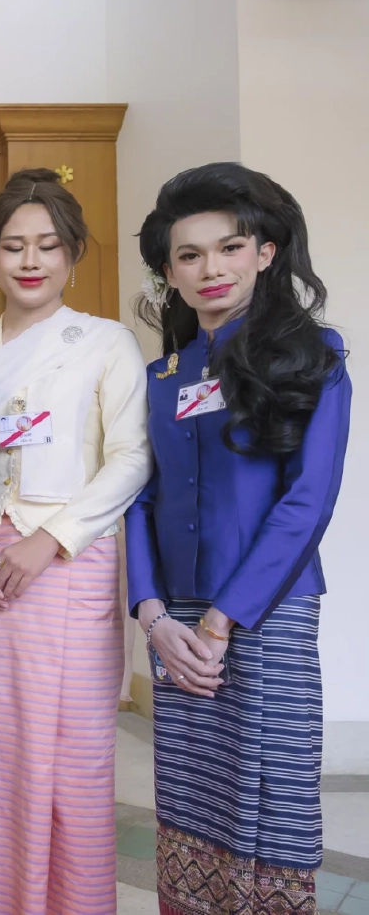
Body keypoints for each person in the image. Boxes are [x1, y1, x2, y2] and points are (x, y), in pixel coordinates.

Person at [128, 162, 350, 915]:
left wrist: (223, 618)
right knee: (192, 797)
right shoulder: (163, 373)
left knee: (268, 794)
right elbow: (140, 496)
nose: (210, 268)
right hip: (176, 619)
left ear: (265, 252)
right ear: (169, 272)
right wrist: (152, 614)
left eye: (230, 247)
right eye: (189, 256)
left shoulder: (316, 354)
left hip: (268, 609)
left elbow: (309, 500)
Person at [0, 169, 151, 915]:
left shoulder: (106, 342)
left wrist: (48, 542)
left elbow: (131, 457)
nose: (30, 260)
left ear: (72, 254)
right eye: (13, 246)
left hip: (67, 562)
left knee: (66, 759)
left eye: (48, 245)